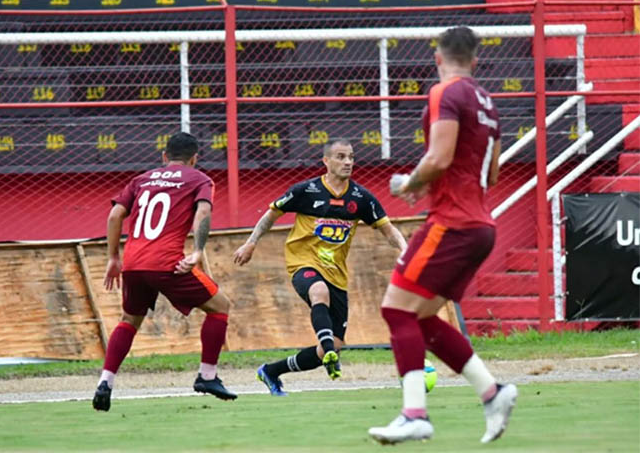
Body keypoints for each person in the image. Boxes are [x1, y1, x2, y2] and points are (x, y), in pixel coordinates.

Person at [368, 26, 517, 445]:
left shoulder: (444, 93)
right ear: (475, 60)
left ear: (438, 57)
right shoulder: (488, 102)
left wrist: (409, 183)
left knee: (396, 310)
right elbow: (491, 172)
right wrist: (432, 179)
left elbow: (439, 156)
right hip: (481, 224)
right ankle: (493, 393)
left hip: (452, 222)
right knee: (421, 318)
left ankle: (414, 413)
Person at [233, 138, 407, 396]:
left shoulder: (361, 199)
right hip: (302, 262)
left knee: (333, 346)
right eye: (340, 157)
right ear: (326, 161)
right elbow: (272, 213)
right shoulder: (306, 190)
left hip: (337, 274)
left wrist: (406, 252)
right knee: (318, 292)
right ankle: (329, 353)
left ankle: (271, 371)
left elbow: (388, 231)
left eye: (350, 157)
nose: (347, 162)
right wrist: (251, 243)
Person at [92, 132, 237, 412]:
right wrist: (196, 252)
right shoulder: (199, 179)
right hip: (167, 263)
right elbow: (203, 213)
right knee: (220, 306)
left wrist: (113, 258)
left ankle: (105, 382)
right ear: (195, 158)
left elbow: (114, 216)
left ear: (164, 157)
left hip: (133, 264)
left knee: (129, 320)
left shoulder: (141, 179)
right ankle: (207, 376)